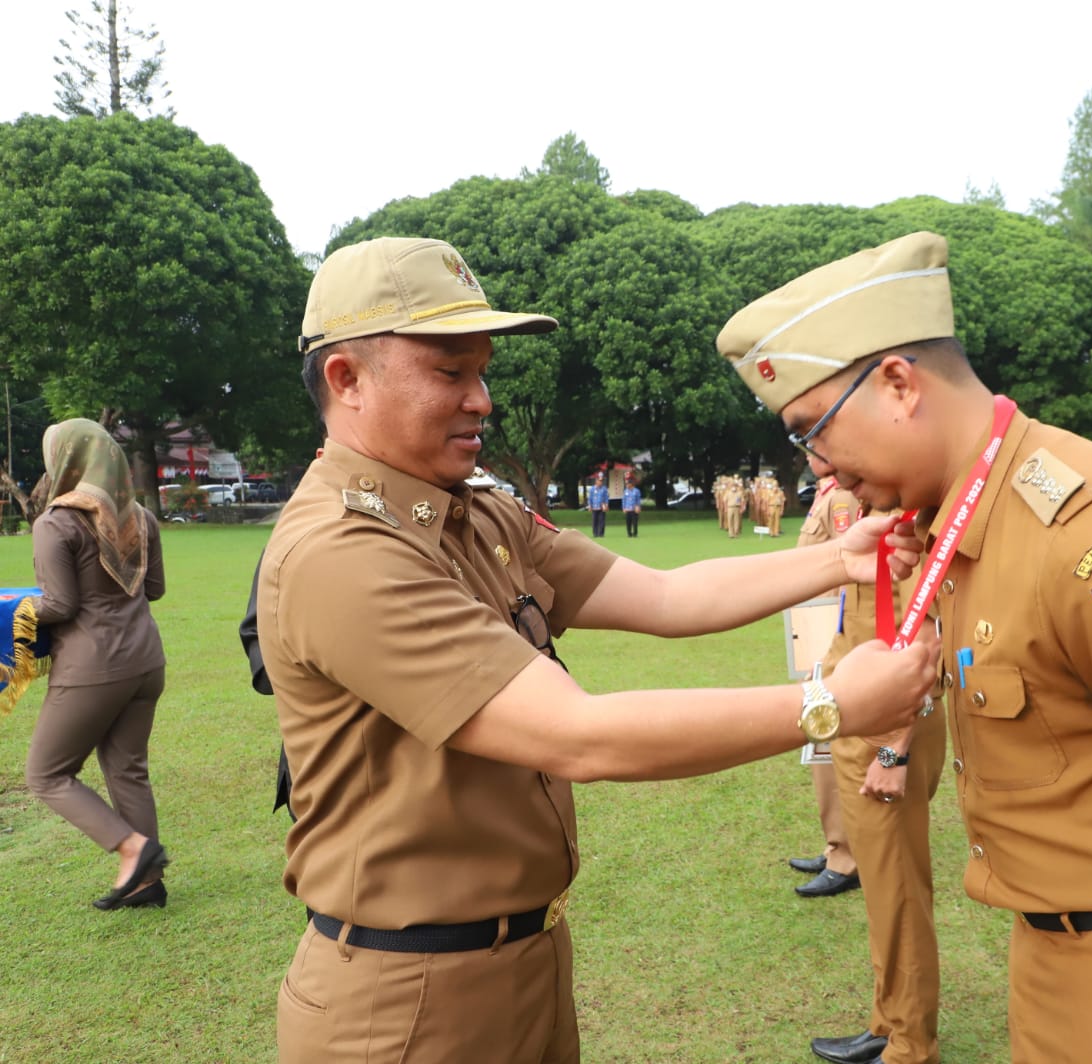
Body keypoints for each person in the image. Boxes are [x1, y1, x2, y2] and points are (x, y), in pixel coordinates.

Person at [262, 236, 938, 1064]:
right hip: (404, 1004)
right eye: (450, 373)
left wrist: (840, 557)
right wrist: (831, 706)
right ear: (346, 378)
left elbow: (663, 595)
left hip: (524, 958)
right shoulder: (344, 551)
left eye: (482, 371)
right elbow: (576, 735)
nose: (481, 400)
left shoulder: (472, 513)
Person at [718, 231, 1092, 1064]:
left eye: (813, 431)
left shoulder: (1089, 535)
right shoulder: (976, 518)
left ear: (899, 384)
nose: (818, 468)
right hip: (1060, 949)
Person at [802, 479, 945, 1064]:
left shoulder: (913, 524)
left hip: (889, 729)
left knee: (899, 888)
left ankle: (911, 1044)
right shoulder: (875, 513)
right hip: (860, 720)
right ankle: (889, 1021)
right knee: (886, 889)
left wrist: (894, 749)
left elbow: (927, 643)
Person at [24, 418, 170, 911]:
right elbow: (154, 590)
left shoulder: (56, 522)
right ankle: (147, 885)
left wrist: (12, 608)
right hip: (146, 662)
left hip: (93, 668)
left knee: (46, 773)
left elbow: (59, 606)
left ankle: (132, 850)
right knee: (128, 770)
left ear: (65, 460)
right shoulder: (141, 519)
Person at [788, 476, 861, 898]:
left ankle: (847, 855)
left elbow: (846, 570)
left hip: (832, 627)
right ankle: (836, 843)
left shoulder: (844, 496)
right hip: (815, 622)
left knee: (829, 737)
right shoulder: (828, 492)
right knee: (820, 745)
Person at [587, 472, 609, 537]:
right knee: (594, 521)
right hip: (594, 507)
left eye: (602, 481)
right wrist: (590, 506)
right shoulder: (592, 489)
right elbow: (590, 498)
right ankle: (595, 533)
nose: (601, 482)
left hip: (602, 507)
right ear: (596, 481)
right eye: (599, 481)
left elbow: (606, 498)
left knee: (602, 521)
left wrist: (606, 505)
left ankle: (601, 534)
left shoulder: (604, 489)